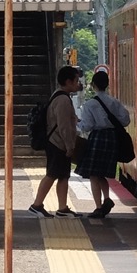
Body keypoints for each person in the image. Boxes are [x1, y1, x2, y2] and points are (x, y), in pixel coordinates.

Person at [74, 70, 131, 218]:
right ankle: (106, 199)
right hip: (112, 139)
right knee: (102, 173)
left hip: (98, 138)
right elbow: (125, 120)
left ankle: (98, 207)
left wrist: (77, 123)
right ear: (107, 85)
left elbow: (87, 126)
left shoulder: (90, 104)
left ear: (93, 85)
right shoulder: (114, 102)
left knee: (94, 174)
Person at [28, 65, 82, 217]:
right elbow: (64, 125)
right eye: (76, 80)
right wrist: (70, 145)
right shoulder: (63, 100)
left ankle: (62, 208)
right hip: (58, 143)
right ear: (68, 81)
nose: (78, 83)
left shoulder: (58, 96)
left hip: (57, 142)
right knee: (52, 174)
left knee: (63, 176)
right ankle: (36, 205)